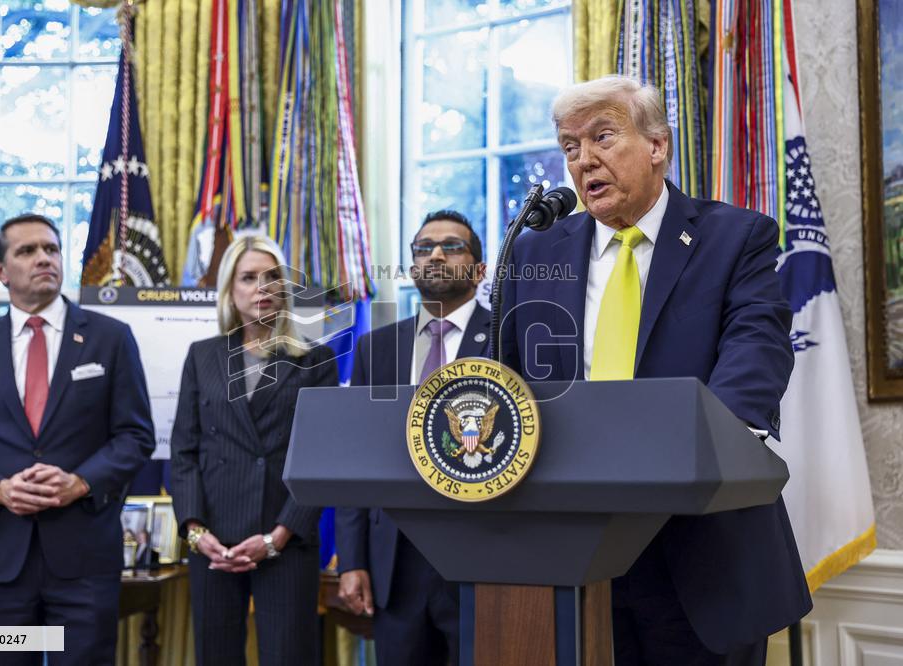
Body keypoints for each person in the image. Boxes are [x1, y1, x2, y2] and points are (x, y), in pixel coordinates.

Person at [498, 75, 812, 665]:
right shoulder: (535, 252)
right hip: (575, 552)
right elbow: (509, 373)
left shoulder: (734, 236)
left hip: (700, 545)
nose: (584, 159)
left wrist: (703, 452)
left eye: (602, 137)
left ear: (657, 146)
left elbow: (757, 347)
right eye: (569, 146)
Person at [0, 213, 156, 666]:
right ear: (0, 270)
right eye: (27, 251)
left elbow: (135, 436)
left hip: (85, 558)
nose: (43, 258)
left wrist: (81, 482)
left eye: (51, 248)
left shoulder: (110, 339)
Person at [171, 234, 338, 666]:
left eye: (271, 278)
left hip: (285, 538)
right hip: (215, 543)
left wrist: (278, 536)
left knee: (289, 656)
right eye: (248, 278)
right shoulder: (202, 356)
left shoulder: (315, 360)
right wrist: (195, 530)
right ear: (230, 289)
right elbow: (185, 451)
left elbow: (322, 461)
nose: (261, 288)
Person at [336, 210, 489, 666]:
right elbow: (355, 459)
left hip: (481, 557)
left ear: (480, 270)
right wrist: (352, 559)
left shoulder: (509, 338)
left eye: (452, 246)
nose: (436, 254)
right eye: (424, 249)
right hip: (394, 566)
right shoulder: (376, 348)